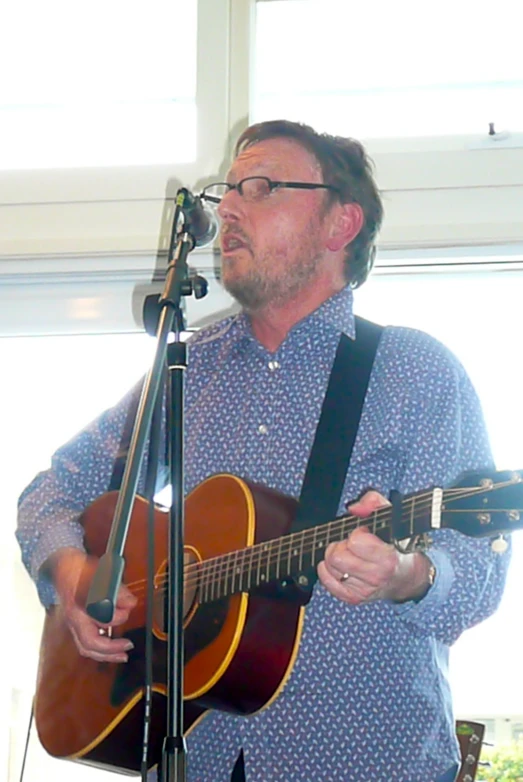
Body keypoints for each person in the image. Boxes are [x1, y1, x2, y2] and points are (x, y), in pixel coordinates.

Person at [17, 119, 510, 782]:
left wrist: (409, 577)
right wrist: (75, 580)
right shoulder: (184, 372)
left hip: (369, 757)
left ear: (341, 224)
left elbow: (478, 572)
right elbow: (52, 492)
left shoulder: (414, 372)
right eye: (229, 191)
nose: (229, 209)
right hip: (201, 757)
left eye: (261, 186)